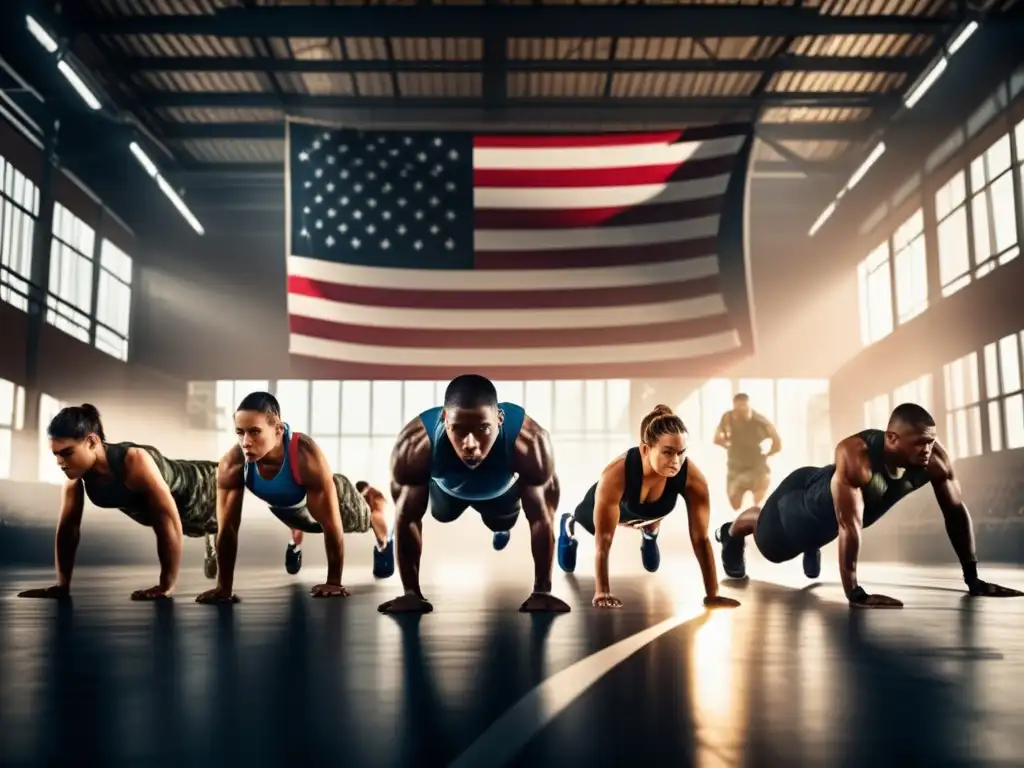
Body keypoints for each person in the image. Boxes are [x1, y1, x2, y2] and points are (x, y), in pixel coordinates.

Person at [715, 402, 1024, 607]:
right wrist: (855, 593)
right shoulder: (857, 456)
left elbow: (955, 512)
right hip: (797, 503)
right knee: (771, 546)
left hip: (831, 510)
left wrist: (973, 578)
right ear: (891, 439)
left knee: (830, 525)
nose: (927, 449)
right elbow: (849, 525)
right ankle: (730, 532)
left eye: (930, 441)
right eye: (919, 442)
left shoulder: (935, 460)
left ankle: (813, 542)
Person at [378, 374, 569, 614]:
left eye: (482, 429)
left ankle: (501, 530)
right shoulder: (415, 446)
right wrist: (410, 594)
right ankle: (496, 525)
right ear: (445, 419)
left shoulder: (530, 443)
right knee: (440, 514)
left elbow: (542, 517)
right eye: (458, 430)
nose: (470, 444)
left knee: (501, 520)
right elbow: (407, 519)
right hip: (445, 493)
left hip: (500, 495)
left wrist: (542, 592)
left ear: (499, 419)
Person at [196, 392, 394, 604]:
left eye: (254, 432)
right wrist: (223, 588)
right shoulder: (233, 464)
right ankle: (296, 539)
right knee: (298, 517)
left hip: (335, 493)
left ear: (278, 430)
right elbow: (227, 528)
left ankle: (384, 539)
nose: (245, 442)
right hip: (289, 506)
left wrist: (334, 582)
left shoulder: (305, 456)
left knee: (366, 517)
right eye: (240, 432)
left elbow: (331, 524)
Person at [18, 404, 219, 601]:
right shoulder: (75, 477)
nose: (59, 462)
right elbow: (67, 530)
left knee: (218, 511)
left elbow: (167, 520)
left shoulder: (135, 460)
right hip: (160, 513)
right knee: (191, 525)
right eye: (56, 454)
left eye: (67, 453)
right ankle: (209, 533)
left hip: (200, 486)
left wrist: (166, 585)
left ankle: (213, 534)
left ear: (91, 441)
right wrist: (62, 586)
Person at [557, 404, 740, 610]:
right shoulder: (615, 474)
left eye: (681, 452)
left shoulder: (692, 478)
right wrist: (603, 591)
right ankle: (568, 526)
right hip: (605, 511)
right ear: (645, 449)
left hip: (650, 515)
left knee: (654, 519)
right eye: (668, 453)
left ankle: (650, 533)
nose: (676, 461)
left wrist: (712, 594)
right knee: (586, 521)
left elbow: (701, 538)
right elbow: (604, 539)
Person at [283, 480, 390, 576]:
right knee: (300, 514)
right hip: (328, 504)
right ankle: (294, 547)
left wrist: (383, 544)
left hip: (346, 508)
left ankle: (383, 548)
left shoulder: (372, 499)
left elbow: (377, 515)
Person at [714, 393, 782, 513]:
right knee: (735, 504)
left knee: (758, 501)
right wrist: (727, 444)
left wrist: (768, 453)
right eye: (739, 406)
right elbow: (717, 438)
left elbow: (777, 442)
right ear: (734, 406)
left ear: (748, 406)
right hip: (736, 466)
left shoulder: (760, 421)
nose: (741, 409)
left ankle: (758, 516)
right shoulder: (727, 418)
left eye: (744, 406)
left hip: (757, 465)